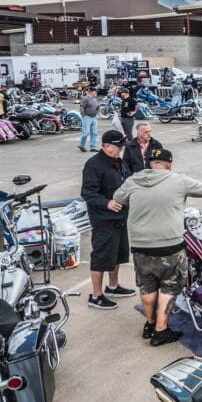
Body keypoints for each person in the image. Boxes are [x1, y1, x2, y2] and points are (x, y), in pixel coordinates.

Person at [114, 148, 202, 345]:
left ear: (150, 164)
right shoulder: (178, 180)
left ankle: (150, 323)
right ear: (169, 164)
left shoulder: (133, 180)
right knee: (169, 287)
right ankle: (161, 331)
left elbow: (118, 198)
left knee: (147, 285)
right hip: (169, 245)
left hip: (139, 246)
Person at [80, 130, 136, 310]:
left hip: (121, 217)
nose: (120, 150)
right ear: (106, 146)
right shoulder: (94, 165)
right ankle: (96, 296)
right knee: (101, 257)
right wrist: (107, 203)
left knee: (117, 256)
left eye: (121, 146)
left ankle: (113, 287)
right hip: (104, 219)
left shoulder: (118, 162)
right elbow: (88, 193)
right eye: (117, 147)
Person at [79, 87, 100, 152]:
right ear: (91, 92)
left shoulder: (94, 99)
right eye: (95, 92)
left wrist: (97, 109)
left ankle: (93, 147)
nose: (96, 93)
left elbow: (95, 107)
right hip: (87, 117)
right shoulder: (85, 98)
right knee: (86, 132)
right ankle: (81, 145)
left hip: (93, 118)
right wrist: (84, 116)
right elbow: (81, 107)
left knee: (94, 133)